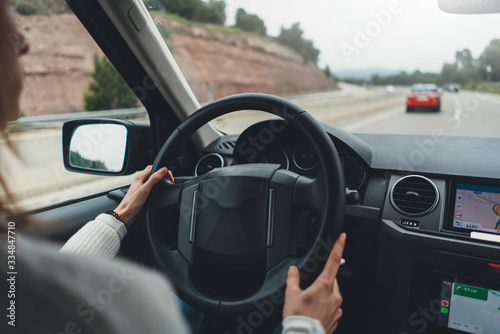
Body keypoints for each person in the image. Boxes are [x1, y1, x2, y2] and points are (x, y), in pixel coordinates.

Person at [0, 1, 345, 333]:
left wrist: (118, 217)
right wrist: (305, 327)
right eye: (11, 30)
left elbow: (37, 291)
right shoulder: (139, 304)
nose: (26, 43)